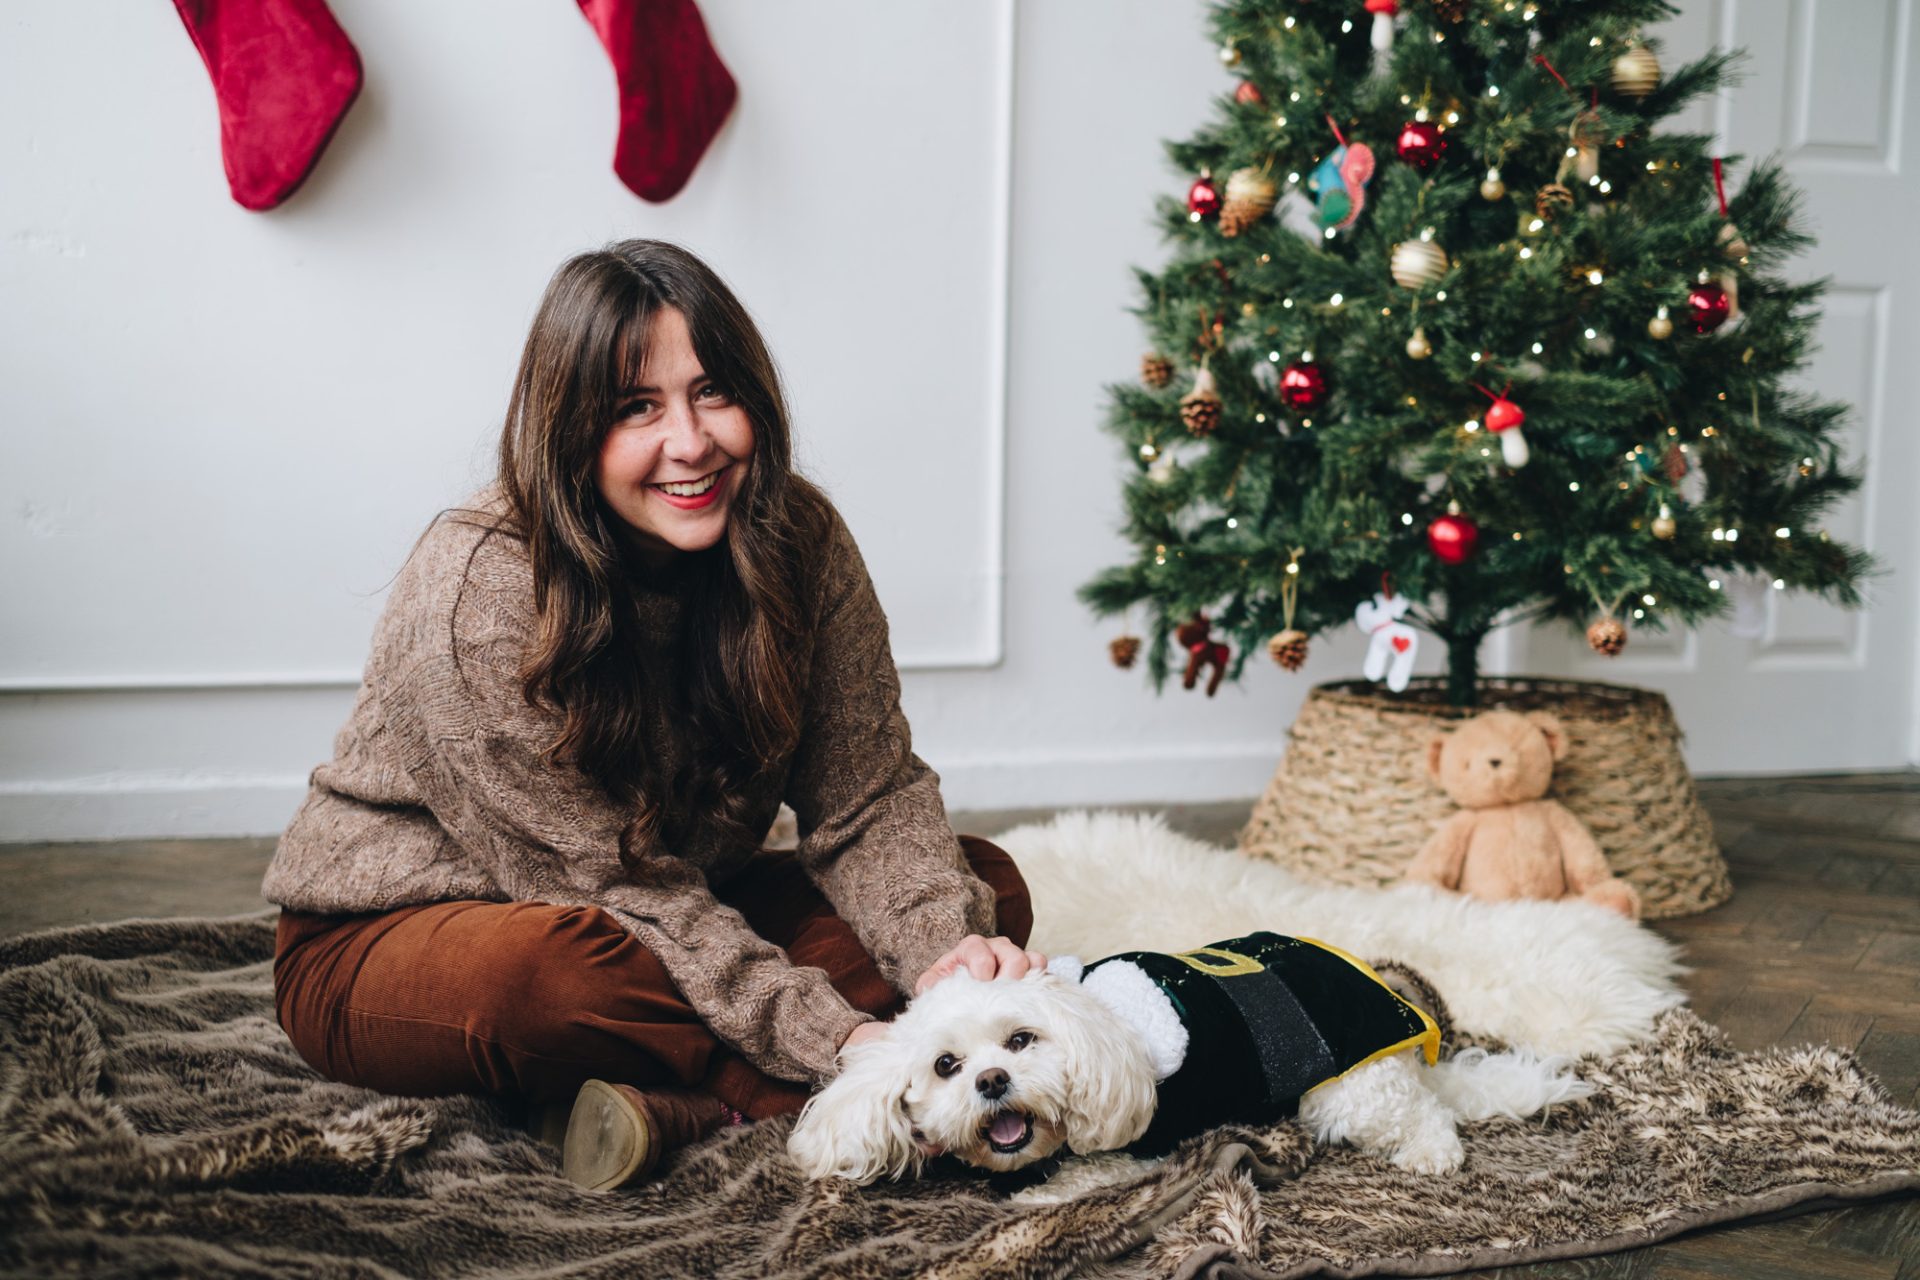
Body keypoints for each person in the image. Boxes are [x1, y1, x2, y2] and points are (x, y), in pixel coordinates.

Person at [263, 239, 1041, 1191]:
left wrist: (947, 966)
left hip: (671, 901)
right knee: (567, 975)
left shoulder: (799, 539)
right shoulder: (481, 586)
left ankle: (662, 1107)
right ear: (569, 430)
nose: (691, 441)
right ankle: (792, 1086)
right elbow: (610, 893)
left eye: (714, 392)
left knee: (979, 891)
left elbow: (869, 797)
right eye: (638, 408)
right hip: (422, 935)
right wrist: (847, 1040)